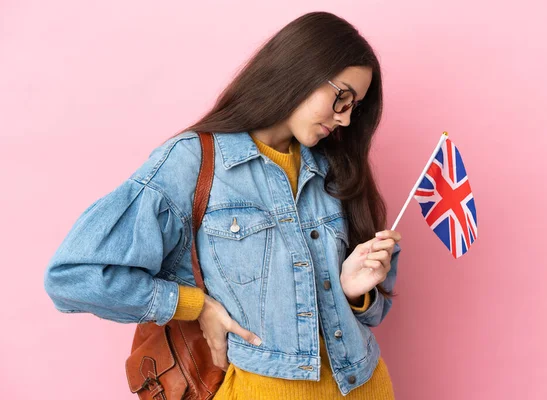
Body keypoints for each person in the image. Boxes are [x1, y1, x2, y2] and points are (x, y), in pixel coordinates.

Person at [44, 11, 402, 399]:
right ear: (302, 71)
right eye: (342, 97)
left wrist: (352, 291)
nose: (346, 118)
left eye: (355, 106)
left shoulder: (336, 168)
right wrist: (194, 305)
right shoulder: (193, 162)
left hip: (368, 386)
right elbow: (73, 276)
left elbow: (374, 313)